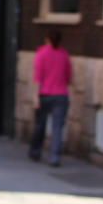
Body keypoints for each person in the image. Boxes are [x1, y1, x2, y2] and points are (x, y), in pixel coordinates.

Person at [29, 29, 72, 166]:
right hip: (61, 95)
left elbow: (38, 77)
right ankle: (55, 157)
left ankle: (36, 151)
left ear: (47, 39)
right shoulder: (64, 55)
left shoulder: (41, 53)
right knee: (57, 128)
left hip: (45, 95)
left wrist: (35, 97)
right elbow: (68, 77)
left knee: (40, 125)